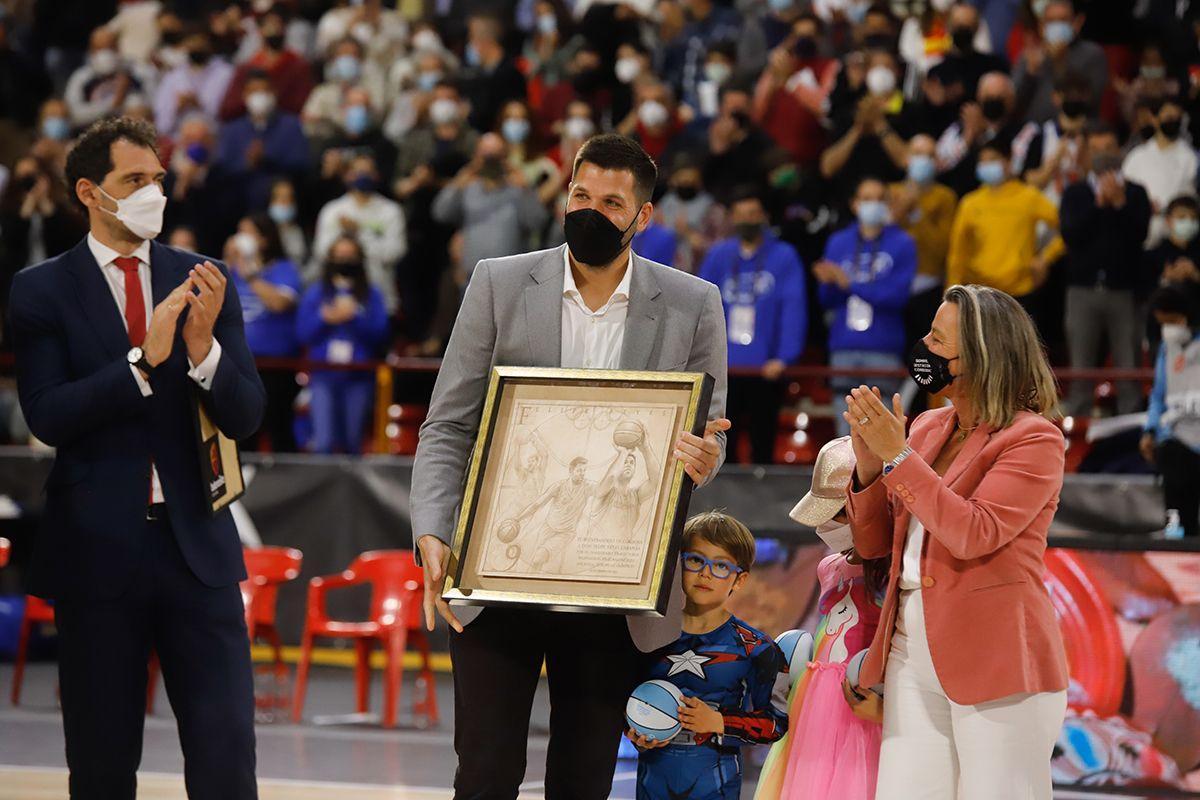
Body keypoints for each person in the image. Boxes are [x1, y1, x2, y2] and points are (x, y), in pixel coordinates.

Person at [410, 134, 731, 800]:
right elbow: (447, 425)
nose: (590, 209)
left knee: (583, 779)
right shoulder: (498, 282)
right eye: (580, 194)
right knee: (487, 772)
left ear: (643, 218)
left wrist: (705, 457)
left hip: (613, 579)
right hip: (497, 565)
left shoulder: (693, 302)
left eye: (611, 202)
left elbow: (708, 437)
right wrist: (431, 528)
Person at [7, 116, 263, 798]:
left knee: (227, 761)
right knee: (100, 766)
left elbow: (247, 414)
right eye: (134, 180)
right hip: (96, 556)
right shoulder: (40, 291)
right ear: (90, 192)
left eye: (157, 179)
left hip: (198, 554)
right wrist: (142, 362)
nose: (154, 192)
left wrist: (205, 351)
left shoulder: (206, 279)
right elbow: (48, 416)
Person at [843, 284, 1069, 799]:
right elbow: (877, 546)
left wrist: (898, 459)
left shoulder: (1034, 438)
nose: (924, 346)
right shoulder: (926, 427)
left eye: (938, 340)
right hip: (909, 654)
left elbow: (974, 532)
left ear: (983, 356)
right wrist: (870, 467)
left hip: (998, 660)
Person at [756, 436, 886, 800]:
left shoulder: (893, 570)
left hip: (858, 695)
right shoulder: (829, 566)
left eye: (835, 515)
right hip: (814, 696)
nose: (825, 526)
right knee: (807, 779)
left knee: (854, 781)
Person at [630, 511, 787, 800]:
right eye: (695, 560)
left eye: (721, 566)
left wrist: (719, 722)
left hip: (717, 781)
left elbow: (776, 723)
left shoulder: (756, 647)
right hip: (653, 779)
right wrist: (633, 730)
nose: (705, 573)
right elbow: (620, 699)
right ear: (677, 565)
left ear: (739, 580)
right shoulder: (646, 635)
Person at [698, 189, 806, 464]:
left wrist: (784, 357)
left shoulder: (784, 256)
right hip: (724, 369)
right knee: (722, 445)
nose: (748, 220)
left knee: (763, 442)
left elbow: (792, 308)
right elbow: (701, 308)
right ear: (733, 218)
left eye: (754, 214)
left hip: (765, 369)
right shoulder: (718, 255)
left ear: (765, 217)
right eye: (742, 215)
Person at [1059, 124, 1152, 416]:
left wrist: (1120, 204)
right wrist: (1099, 205)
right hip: (1082, 290)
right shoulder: (1075, 192)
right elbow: (1071, 235)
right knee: (1081, 366)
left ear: (1119, 151)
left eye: (1108, 149)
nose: (1102, 156)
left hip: (1123, 291)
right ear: (1087, 152)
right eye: (1096, 150)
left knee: (1128, 364)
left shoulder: (1136, 193)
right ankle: (1078, 421)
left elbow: (1140, 235)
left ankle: (1131, 421)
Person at [816, 177, 917, 436]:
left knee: (880, 432)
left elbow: (897, 297)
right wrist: (828, 282)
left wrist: (849, 283)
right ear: (854, 204)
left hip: (883, 347)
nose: (872, 205)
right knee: (844, 433)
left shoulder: (903, 243)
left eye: (879, 199)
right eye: (866, 198)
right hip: (843, 345)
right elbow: (826, 299)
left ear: (887, 204)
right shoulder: (838, 242)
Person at [946, 140, 1064, 328]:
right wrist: (952, 294)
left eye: (993, 160)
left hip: (1020, 294)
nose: (987, 166)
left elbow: (1065, 227)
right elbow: (957, 252)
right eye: (983, 162)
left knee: (1018, 354)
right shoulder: (970, 203)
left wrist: (1046, 258)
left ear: (1009, 162)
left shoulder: (1028, 197)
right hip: (980, 296)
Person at [296, 235, 389, 455]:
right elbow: (302, 333)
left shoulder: (371, 294)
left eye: (349, 256)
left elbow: (381, 333)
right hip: (323, 377)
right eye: (339, 256)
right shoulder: (317, 292)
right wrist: (326, 318)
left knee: (353, 441)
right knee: (323, 441)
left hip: (358, 377)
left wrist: (354, 316)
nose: (344, 261)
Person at [225, 213, 303, 452]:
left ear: (265, 239)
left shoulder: (284, 269)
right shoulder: (231, 271)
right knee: (241, 431)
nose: (241, 238)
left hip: (275, 367)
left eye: (248, 232)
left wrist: (251, 275)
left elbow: (279, 303)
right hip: (239, 365)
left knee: (278, 429)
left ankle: (286, 486)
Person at [432, 133, 549, 285]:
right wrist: (460, 180)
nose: (491, 161)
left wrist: (525, 187)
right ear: (476, 156)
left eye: (496, 155)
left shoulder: (517, 190)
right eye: (486, 155)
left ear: (505, 157)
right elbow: (440, 213)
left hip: (510, 279)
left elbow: (536, 222)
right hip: (471, 277)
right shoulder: (468, 188)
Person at [1140, 284, 1200, 538]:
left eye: (1172, 321)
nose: (1169, 329)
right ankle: (1176, 536)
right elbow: (1158, 395)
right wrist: (1150, 430)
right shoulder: (1166, 351)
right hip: (1177, 443)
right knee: (1176, 526)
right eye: (1163, 323)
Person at [312, 153, 406, 313]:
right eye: (357, 171)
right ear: (348, 176)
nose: (362, 176)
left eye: (367, 171)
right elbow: (322, 250)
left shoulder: (391, 211)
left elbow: (394, 252)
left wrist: (359, 233)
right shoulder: (333, 210)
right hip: (336, 298)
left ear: (376, 175)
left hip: (379, 296)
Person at [889, 133, 958, 349]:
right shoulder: (890, 193)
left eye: (930, 155)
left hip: (927, 285)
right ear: (906, 158)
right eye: (918, 154)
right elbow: (880, 236)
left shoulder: (945, 197)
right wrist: (901, 211)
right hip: (891, 283)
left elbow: (942, 247)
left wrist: (917, 214)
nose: (924, 161)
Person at [1012, 0, 1107, 124]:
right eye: (1051, 21)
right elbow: (1013, 103)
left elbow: (1091, 100)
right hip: (1036, 132)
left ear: (1076, 23)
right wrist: (1030, 74)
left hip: (1078, 129)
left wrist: (1060, 64)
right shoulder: (1031, 56)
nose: (1057, 26)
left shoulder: (1093, 55)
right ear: (1042, 27)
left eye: (1063, 20)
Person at [1123, 96, 1200, 247]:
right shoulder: (1137, 156)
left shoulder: (1191, 157)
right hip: (1143, 234)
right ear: (1154, 119)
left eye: (1177, 117)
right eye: (1169, 116)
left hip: (1179, 237)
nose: (1173, 121)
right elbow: (1126, 193)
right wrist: (1144, 206)